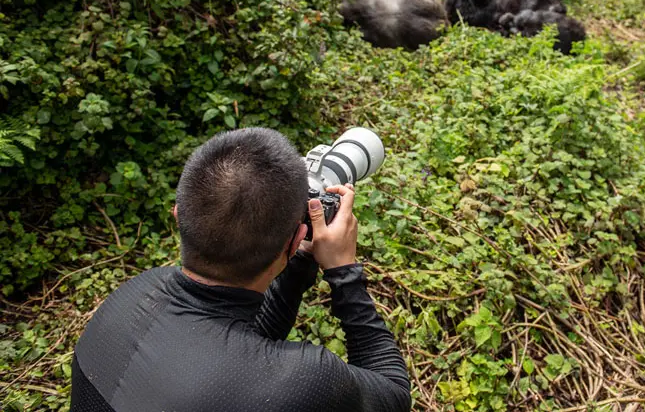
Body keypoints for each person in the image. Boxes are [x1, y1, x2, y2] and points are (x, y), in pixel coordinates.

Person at [69, 128, 411, 412]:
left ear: (178, 216)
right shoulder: (305, 380)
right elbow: (394, 394)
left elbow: (245, 343)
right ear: (294, 240)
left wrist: (302, 255)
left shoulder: (132, 295)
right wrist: (343, 270)